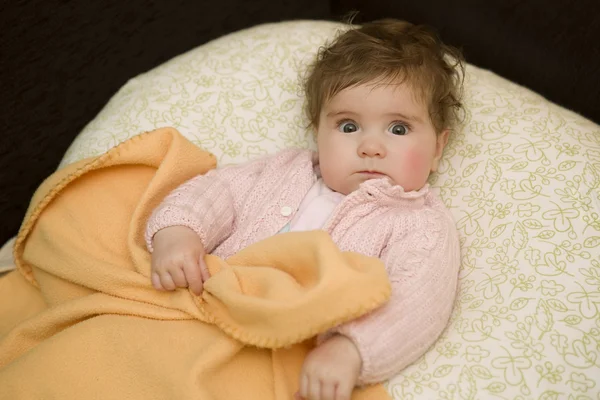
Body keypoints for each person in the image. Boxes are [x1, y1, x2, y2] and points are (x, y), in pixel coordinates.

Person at [145, 18, 464, 400]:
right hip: (203, 309)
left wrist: (350, 350)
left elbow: (417, 301)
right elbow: (217, 192)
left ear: (438, 148)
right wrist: (180, 232)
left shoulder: (418, 224)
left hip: (286, 352)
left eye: (398, 129)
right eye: (348, 127)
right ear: (318, 132)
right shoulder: (284, 170)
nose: (370, 146)